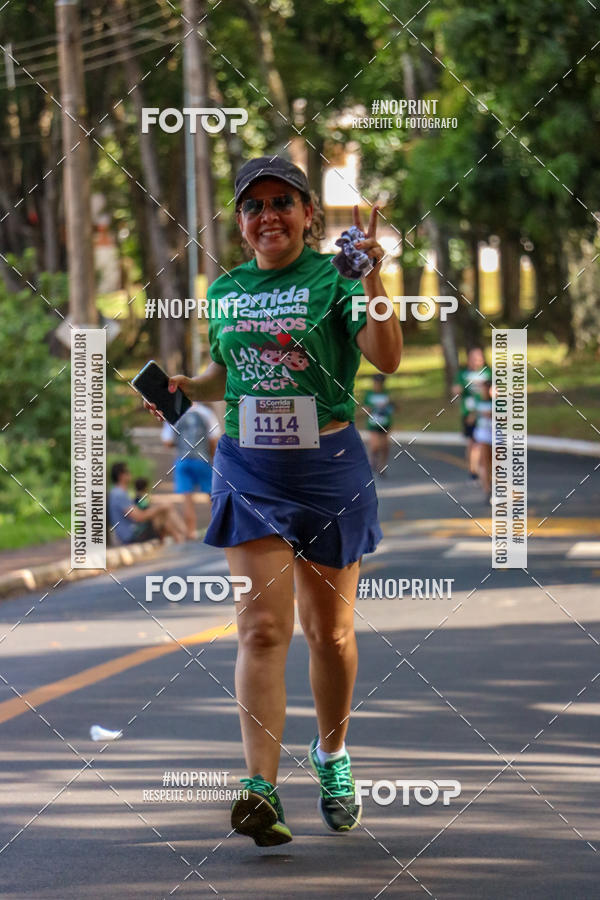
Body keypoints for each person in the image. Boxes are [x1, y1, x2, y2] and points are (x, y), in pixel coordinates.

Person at [144, 155, 402, 846]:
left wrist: (374, 275)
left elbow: (387, 356)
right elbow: (224, 375)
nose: (268, 216)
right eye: (253, 206)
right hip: (249, 467)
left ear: (307, 213)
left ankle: (333, 754)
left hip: (329, 468)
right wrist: (183, 388)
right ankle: (259, 788)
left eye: (282, 202)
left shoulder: (336, 278)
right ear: (239, 222)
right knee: (261, 630)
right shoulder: (224, 290)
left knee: (332, 634)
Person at [161, 402, 221, 539]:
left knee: (187, 498)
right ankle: (219, 528)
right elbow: (214, 438)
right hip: (202, 458)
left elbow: (167, 441)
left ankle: (191, 531)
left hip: (182, 459)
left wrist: (181, 441)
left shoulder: (174, 412)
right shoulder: (206, 413)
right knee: (211, 495)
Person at [108, 462, 187, 544]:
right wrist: (160, 508)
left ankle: (180, 536)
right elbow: (139, 517)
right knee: (164, 510)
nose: (130, 474)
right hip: (131, 535)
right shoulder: (119, 494)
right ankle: (184, 534)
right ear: (121, 475)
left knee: (163, 515)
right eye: (128, 472)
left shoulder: (119, 493)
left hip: (133, 531)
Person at [452, 346, 492, 479]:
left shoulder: (488, 373)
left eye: (479, 357)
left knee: (485, 443)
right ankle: (473, 469)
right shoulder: (463, 374)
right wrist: (458, 391)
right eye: (473, 358)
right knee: (473, 442)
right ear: (469, 359)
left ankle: (484, 468)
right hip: (469, 412)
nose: (476, 360)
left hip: (486, 412)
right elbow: (456, 390)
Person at [364, 373, 394, 475]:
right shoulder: (369, 394)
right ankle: (373, 461)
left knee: (385, 446)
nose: (378, 385)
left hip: (385, 422)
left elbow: (394, 408)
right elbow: (364, 409)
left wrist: (389, 405)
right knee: (375, 446)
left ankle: (382, 466)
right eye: (376, 383)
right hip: (373, 424)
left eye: (380, 383)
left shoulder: (387, 394)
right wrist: (371, 408)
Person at [472, 380, 493, 503]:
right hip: (483, 433)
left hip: (497, 433)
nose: (485, 391)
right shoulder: (477, 402)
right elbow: (471, 417)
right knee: (485, 462)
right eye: (484, 389)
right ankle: (487, 490)